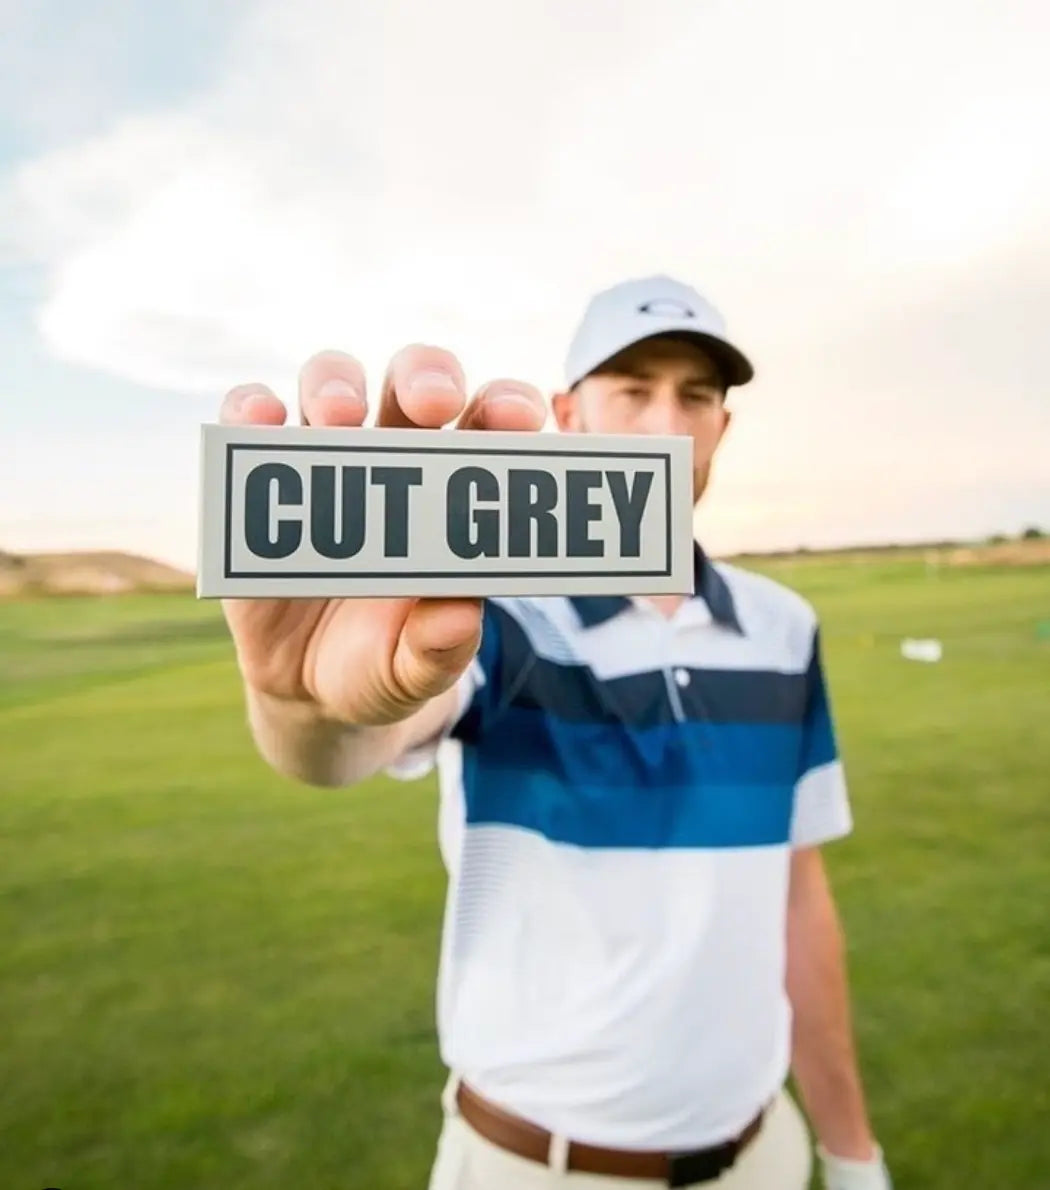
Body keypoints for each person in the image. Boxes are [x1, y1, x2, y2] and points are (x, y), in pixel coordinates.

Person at [217, 274, 893, 1190]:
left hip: (762, 1153)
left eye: (697, 395)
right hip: (536, 1167)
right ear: (569, 416)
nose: (667, 420)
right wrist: (301, 706)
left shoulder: (785, 628)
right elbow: (351, 740)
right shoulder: (506, 615)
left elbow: (798, 895)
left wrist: (850, 1149)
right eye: (634, 388)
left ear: (721, 430)